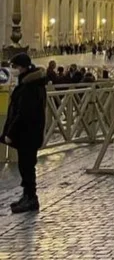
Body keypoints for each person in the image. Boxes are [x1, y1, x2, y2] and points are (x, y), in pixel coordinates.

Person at [0, 53, 47, 213]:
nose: (12, 70)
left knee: (27, 166)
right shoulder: (32, 83)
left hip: (28, 133)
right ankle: (27, 196)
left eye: (14, 67)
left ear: (22, 67)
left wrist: (10, 133)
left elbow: (23, 113)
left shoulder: (29, 87)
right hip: (30, 133)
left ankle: (31, 198)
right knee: (25, 165)